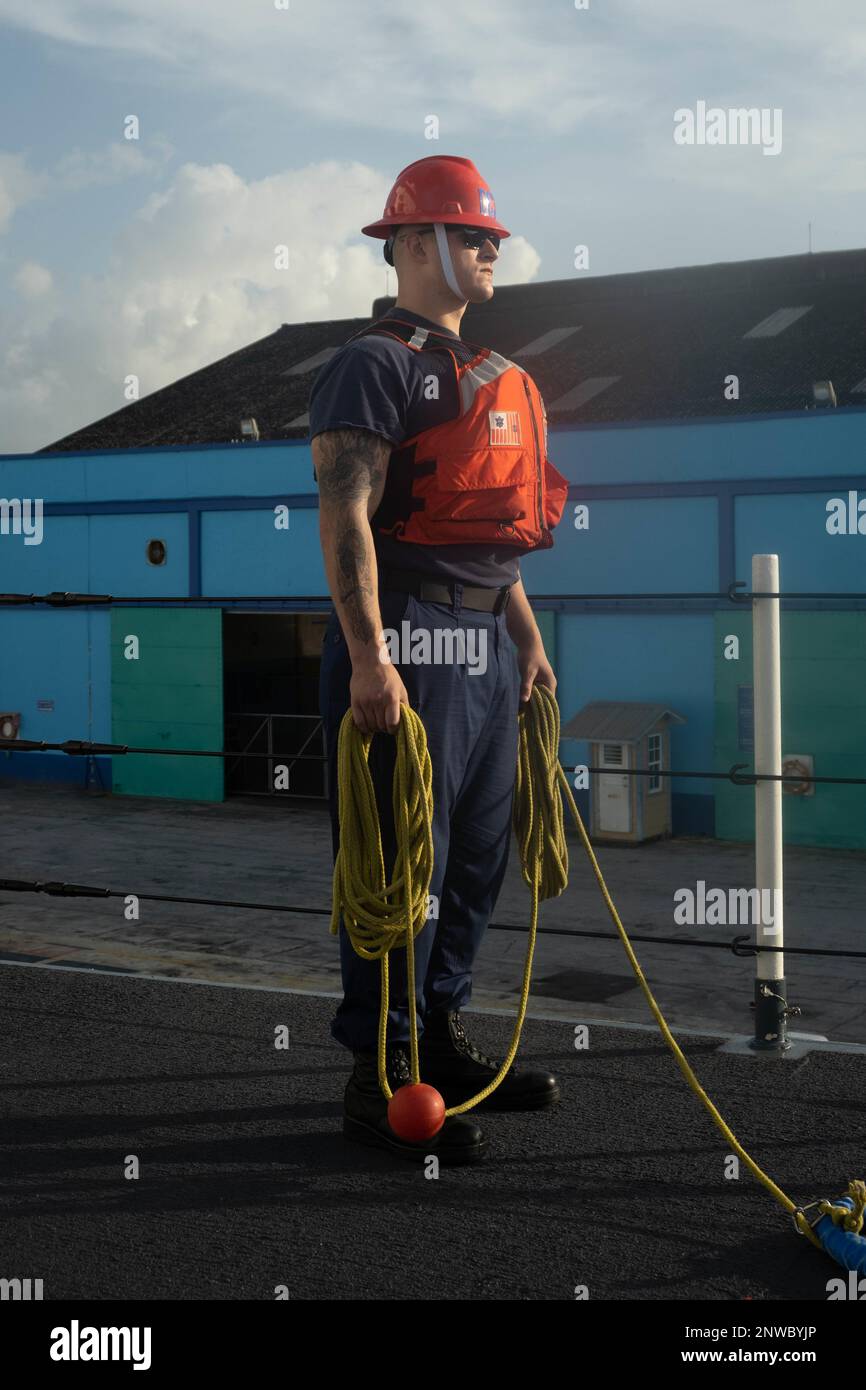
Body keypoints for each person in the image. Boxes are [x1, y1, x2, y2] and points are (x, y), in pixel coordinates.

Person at [310, 155, 570, 1165]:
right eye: (469, 235)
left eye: (491, 236)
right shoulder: (371, 365)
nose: (488, 248)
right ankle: (379, 1074)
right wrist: (370, 655)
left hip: (484, 648)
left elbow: (480, 528)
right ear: (410, 246)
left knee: (473, 858)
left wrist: (527, 640)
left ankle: (441, 1039)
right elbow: (349, 516)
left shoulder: (491, 378)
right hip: (406, 641)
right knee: (393, 863)